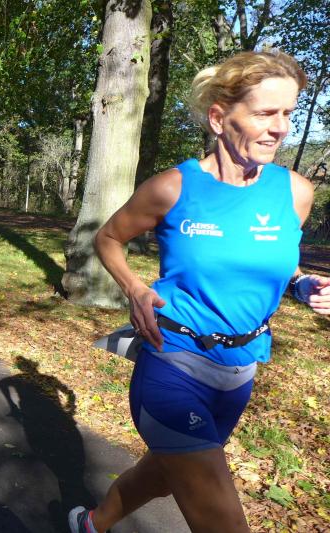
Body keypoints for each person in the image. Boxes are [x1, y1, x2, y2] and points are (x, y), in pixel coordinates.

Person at [69, 50, 330, 533]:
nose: (280, 128)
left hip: (240, 371)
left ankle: (90, 524)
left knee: (163, 476)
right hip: (174, 362)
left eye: (288, 114)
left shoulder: (295, 191)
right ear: (218, 118)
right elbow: (108, 238)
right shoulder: (172, 188)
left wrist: (302, 284)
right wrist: (134, 288)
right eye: (265, 113)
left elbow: (276, 259)